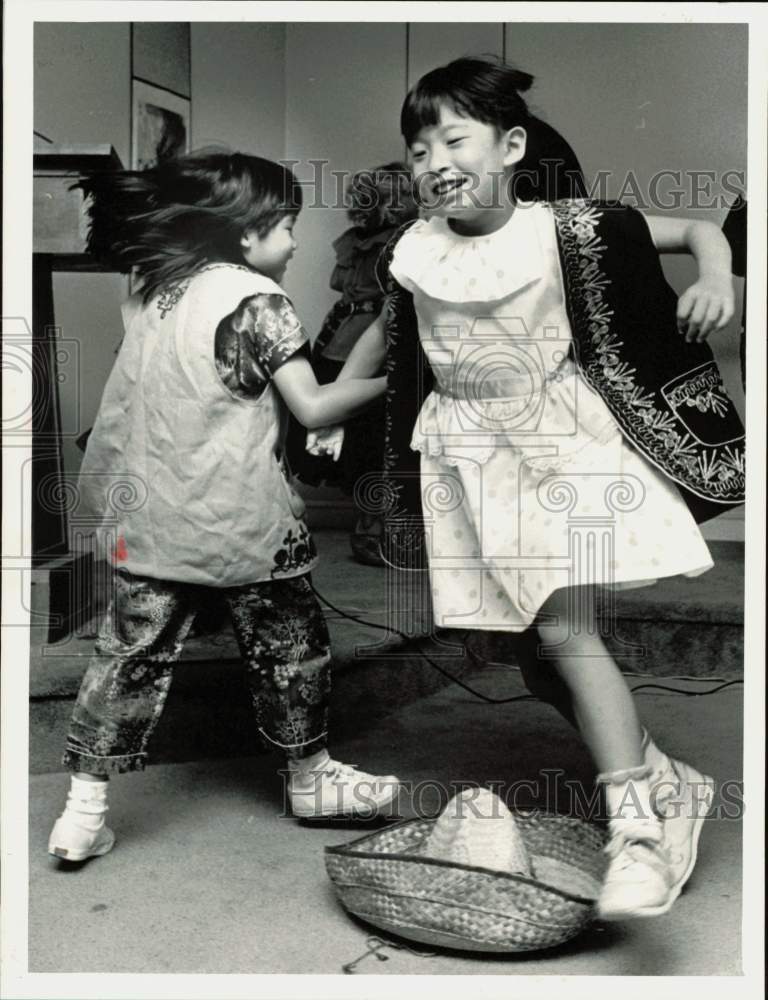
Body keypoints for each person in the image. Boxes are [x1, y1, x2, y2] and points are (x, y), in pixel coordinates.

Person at [310, 58, 745, 919]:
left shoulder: (570, 228)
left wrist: (719, 272)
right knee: (525, 647)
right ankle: (664, 779)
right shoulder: (414, 246)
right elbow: (388, 332)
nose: (431, 157)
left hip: (556, 449)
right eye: (417, 143)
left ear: (510, 146)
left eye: (453, 137)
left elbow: (699, 229)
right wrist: (327, 406)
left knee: (565, 629)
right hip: (467, 459)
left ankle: (638, 835)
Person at [47, 151, 401, 864]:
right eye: (286, 224)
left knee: (126, 659)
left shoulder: (157, 288)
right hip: (238, 522)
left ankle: (81, 813)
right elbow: (313, 402)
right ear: (246, 234)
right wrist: (400, 378)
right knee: (291, 652)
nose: (298, 239)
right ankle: (310, 780)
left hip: (149, 517)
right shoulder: (258, 301)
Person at [287, 162, 418, 565]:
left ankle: (373, 527)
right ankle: (372, 530)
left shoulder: (375, 242)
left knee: (362, 439)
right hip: (362, 341)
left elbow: (336, 284)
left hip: (347, 338)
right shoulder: (399, 240)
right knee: (369, 440)